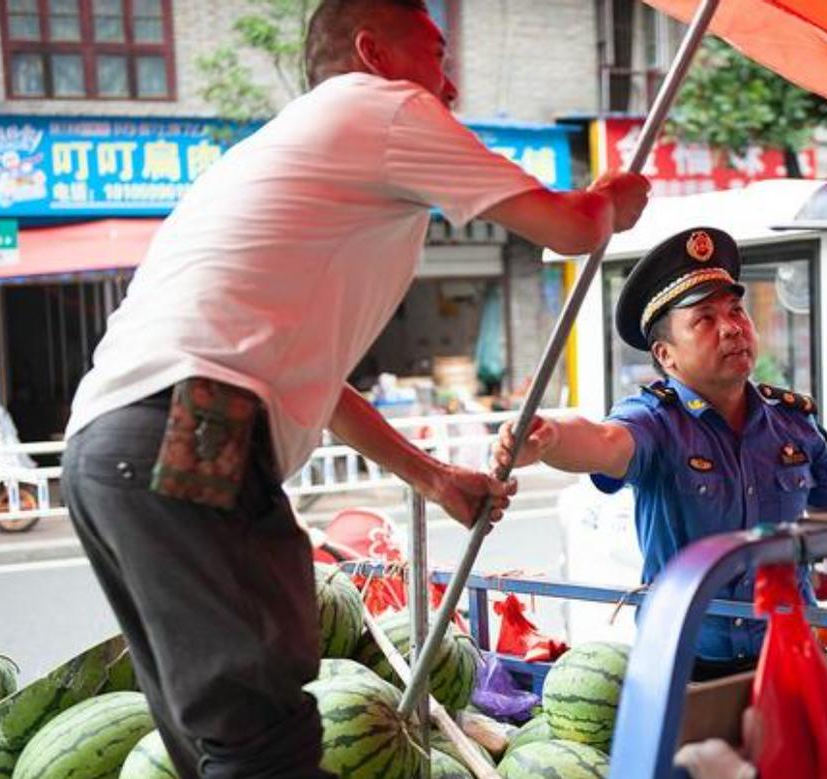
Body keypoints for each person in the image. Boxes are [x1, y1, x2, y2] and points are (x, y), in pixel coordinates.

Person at [60, 1, 650, 776]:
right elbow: (572, 228)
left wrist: (433, 476)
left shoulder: (296, 155)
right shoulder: (383, 108)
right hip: (194, 427)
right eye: (436, 55)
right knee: (262, 730)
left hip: (106, 450)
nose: (450, 85)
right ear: (372, 51)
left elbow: (322, 387)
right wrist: (614, 199)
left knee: (213, 738)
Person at [493, 227, 827, 681]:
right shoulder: (657, 421)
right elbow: (602, 442)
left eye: (737, 311)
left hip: (792, 653)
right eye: (704, 319)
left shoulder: (793, 420)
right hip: (689, 667)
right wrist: (547, 437)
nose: (732, 328)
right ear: (666, 355)